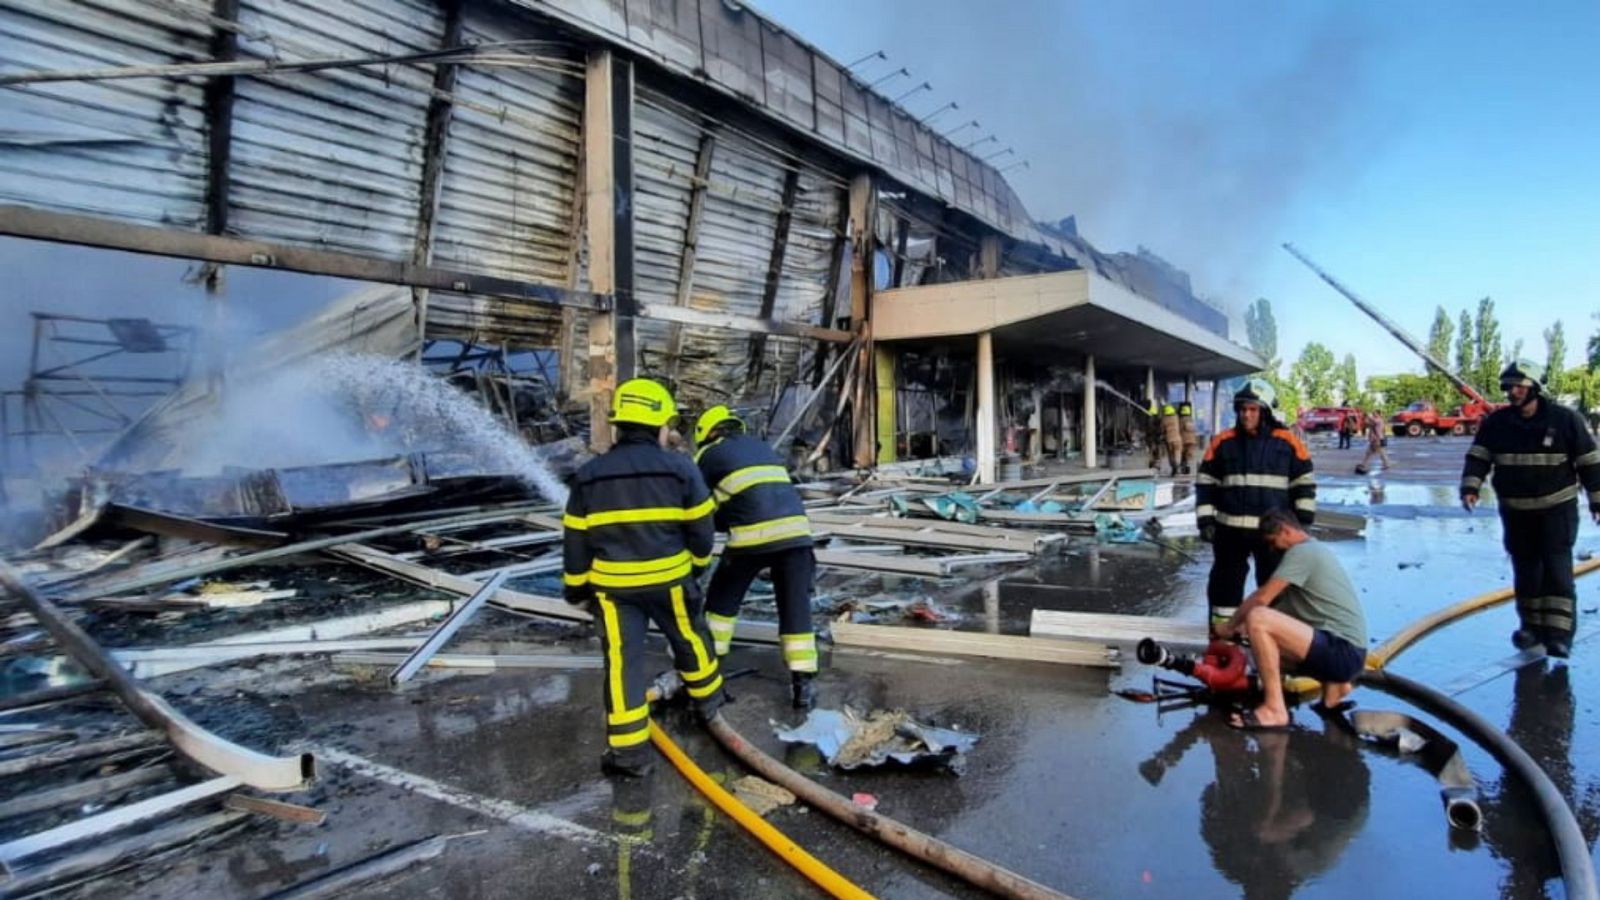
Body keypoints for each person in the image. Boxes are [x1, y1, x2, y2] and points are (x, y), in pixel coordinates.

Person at [562, 378, 725, 777]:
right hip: (671, 581)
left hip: (614, 592)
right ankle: (709, 708)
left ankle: (629, 754)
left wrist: (576, 589)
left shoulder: (589, 475)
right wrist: (697, 567)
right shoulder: (680, 469)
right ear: (657, 427)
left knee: (622, 665)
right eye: (668, 425)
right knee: (691, 642)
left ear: (620, 426)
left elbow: (576, 542)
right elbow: (703, 530)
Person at [1460, 359, 1600, 658]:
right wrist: (1470, 487)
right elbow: (1479, 456)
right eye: (1509, 386)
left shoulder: (1565, 420)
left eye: (1518, 386)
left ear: (1535, 387)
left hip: (1556, 510)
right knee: (1526, 572)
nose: (1512, 392)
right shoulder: (1497, 423)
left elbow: (1589, 462)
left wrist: (1596, 500)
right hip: (1516, 512)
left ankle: (1559, 635)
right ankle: (1531, 629)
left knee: (1557, 571)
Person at [693, 405, 820, 709]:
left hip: (751, 537)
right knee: (795, 608)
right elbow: (760, 496)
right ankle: (803, 688)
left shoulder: (707, 456)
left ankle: (708, 674)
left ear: (706, 434)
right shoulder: (763, 448)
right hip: (798, 537)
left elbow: (697, 509)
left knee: (721, 604)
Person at [1215, 510, 1369, 730]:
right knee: (1257, 647)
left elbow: (1262, 598)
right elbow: (1279, 615)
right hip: (1348, 654)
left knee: (1258, 618)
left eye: (1273, 541)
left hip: (1343, 651)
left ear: (1285, 530)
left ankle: (1275, 710)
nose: (1272, 549)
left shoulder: (1304, 552)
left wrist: (1228, 627)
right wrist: (1239, 632)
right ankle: (1335, 689)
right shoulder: (1310, 559)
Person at [1197, 378, 1317, 631]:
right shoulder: (1222, 442)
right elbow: (1205, 483)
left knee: (1275, 587)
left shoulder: (1288, 442)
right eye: (1242, 409)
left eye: (1252, 409)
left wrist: (1303, 523)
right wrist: (1205, 521)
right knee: (1224, 586)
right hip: (1229, 533)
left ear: (1266, 411)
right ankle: (1222, 635)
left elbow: (1303, 483)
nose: (1246, 414)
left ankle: (1275, 635)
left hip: (1272, 536)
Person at [1354, 408, 1390, 475]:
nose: (1373, 414)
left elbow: (1374, 422)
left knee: (1381, 453)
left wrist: (1368, 416)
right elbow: (1367, 423)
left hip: (1377, 439)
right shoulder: (1374, 420)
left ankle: (1386, 464)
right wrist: (1365, 416)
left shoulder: (1379, 420)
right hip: (1374, 439)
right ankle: (1363, 464)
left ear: (1379, 414)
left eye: (1375, 413)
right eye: (1373, 413)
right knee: (1369, 453)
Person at [1161, 402, 1183, 476]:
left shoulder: (1164, 419)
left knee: (1171, 454)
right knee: (1177, 453)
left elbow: (1162, 430)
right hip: (1177, 438)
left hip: (1169, 439)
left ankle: (1174, 467)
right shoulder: (1176, 417)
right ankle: (1177, 467)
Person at [1177, 401, 1199, 475]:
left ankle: (1183, 467)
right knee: (1188, 455)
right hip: (1192, 440)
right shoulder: (1191, 420)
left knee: (1182, 454)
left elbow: (1178, 429)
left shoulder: (1181, 420)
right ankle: (1187, 466)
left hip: (1183, 440)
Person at [1145, 396, 1165, 470]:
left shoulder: (1149, 421)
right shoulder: (1157, 421)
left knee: (1152, 453)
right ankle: (1156, 464)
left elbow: (1149, 431)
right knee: (1157, 453)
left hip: (1152, 440)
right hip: (1156, 440)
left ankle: (1153, 464)